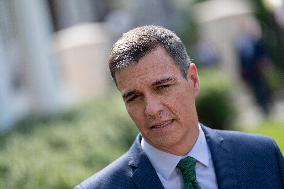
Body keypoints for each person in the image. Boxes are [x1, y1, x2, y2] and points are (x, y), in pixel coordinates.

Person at [75, 25, 284, 189]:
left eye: (162, 86)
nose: (151, 109)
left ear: (193, 79)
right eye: (134, 97)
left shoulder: (263, 157)